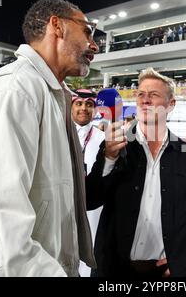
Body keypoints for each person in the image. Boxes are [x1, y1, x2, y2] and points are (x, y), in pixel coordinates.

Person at [0, 0, 98, 277]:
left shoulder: (48, 94)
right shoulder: (12, 91)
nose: (95, 44)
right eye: (88, 31)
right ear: (57, 26)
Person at [86, 68, 186, 277]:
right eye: (141, 94)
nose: (145, 100)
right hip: (114, 271)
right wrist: (109, 158)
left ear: (171, 105)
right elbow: (90, 199)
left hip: (167, 273)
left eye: (154, 95)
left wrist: (181, 258)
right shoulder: (114, 146)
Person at [71, 89, 105, 277]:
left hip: (93, 212)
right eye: (79, 104)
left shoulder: (102, 140)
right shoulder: (59, 135)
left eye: (89, 104)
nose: (84, 108)